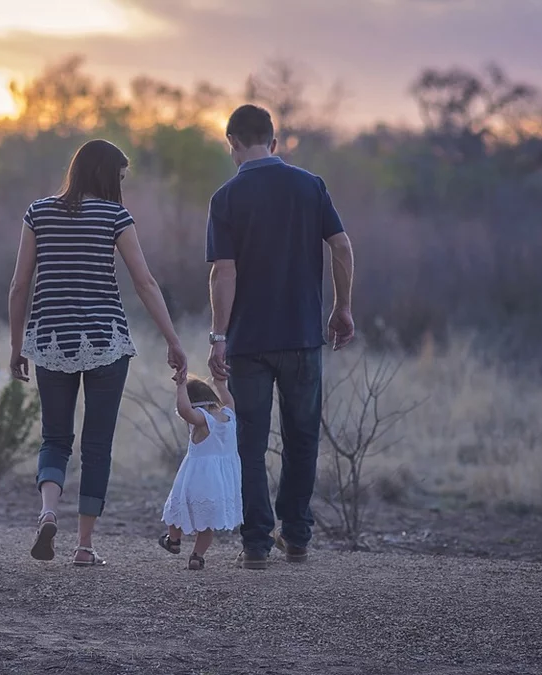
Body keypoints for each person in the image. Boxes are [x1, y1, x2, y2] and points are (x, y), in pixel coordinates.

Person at [8, 138, 187, 567]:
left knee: (55, 437)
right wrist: (173, 339)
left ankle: (48, 511)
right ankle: (84, 546)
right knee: (97, 445)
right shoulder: (115, 216)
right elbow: (144, 283)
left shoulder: (38, 212)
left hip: (50, 341)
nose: (121, 186)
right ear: (107, 175)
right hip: (106, 341)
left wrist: (17, 346)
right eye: (120, 177)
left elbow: (19, 285)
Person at [205, 104, 356, 570]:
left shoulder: (226, 197)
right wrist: (342, 307)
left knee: (250, 442)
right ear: (274, 141)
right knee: (302, 437)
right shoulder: (311, 186)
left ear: (231, 143)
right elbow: (342, 246)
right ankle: (297, 536)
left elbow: (222, 273)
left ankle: (255, 544)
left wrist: (218, 335)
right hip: (303, 337)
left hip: (249, 342)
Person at [158, 372, 242, 571]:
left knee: (177, 509)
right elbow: (229, 400)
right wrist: (220, 384)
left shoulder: (202, 420)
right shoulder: (229, 415)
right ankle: (197, 556)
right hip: (221, 482)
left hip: (197, 478)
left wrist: (180, 387)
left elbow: (185, 410)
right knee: (207, 523)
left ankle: (174, 540)